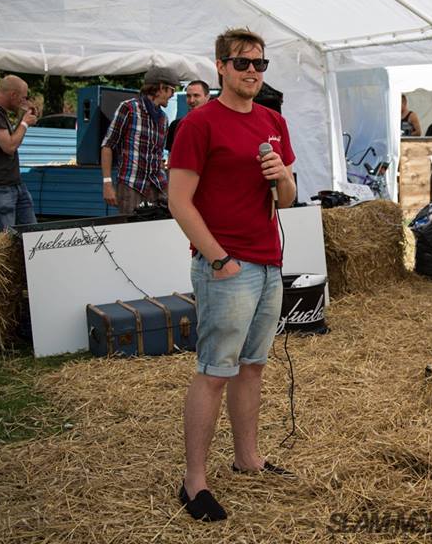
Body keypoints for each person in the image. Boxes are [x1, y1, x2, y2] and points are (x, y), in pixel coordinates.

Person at [168, 28, 297, 522]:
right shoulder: (199, 125)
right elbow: (179, 202)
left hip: (268, 262)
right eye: (242, 63)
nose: (252, 72)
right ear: (219, 65)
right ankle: (194, 482)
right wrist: (219, 259)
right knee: (215, 372)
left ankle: (248, 459)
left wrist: (282, 177)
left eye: (260, 65)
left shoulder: (272, 122)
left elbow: (285, 200)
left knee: (253, 367)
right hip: (227, 267)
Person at [101, 66, 179, 214]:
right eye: (172, 90)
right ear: (161, 88)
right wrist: (107, 183)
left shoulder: (163, 118)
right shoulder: (129, 108)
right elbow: (107, 145)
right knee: (131, 233)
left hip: (158, 186)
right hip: (131, 186)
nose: (172, 95)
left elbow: (157, 156)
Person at [0, 75, 40, 230]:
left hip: (14, 184)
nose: (23, 102)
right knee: (5, 243)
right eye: (23, 98)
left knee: (31, 235)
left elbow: (11, 139)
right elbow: (9, 146)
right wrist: (25, 123)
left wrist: (22, 118)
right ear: (13, 95)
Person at [166, 80, 211, 153]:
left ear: (207, 97)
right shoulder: (176, 125)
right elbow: (171, 158)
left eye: (196, 95)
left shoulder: (215, 125)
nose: (191, 100)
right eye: (188, 96)